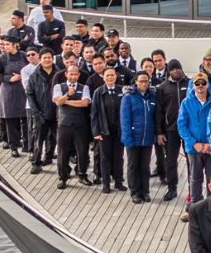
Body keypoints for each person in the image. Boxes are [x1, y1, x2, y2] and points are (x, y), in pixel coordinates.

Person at [177, 72, 211, 216]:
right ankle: (195, 209)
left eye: (203, 83)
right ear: (193, 85)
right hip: (193, 149)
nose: (200, 86)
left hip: (210, 148)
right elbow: (182, 126)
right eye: (197, 83)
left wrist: (210, 144)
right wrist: (194, 143)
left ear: (207, 85)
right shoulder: (186, 103)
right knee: (195, 178)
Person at [52, 65, 92, 189]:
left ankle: (82, 174)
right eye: (71, 74)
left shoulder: (84, 87)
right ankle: (63, 177)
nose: (73, 76)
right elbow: (58, 102)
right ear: (66, 74)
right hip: (64, 124)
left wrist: (67, 102)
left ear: (79, 75)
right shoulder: (59, 87)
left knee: (82, 151)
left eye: (76, 74)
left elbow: (85, 103)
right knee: (62, 152)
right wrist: (67, 96)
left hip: (80, 124)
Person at [120, 69, 157, 203]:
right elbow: (125, 119)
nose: (144, 84)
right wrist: (127, 138)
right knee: (133, 165)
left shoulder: (152, 96)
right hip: (133, 137)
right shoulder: (128, 97)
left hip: (147, 137)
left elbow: (155, 116)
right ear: (135, 82)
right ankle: (134, 191)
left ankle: (145, 191)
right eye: (141, 81)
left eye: (146, 81)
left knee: (145, 166)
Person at [89, 65, 126, 193]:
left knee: (119, 157)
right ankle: (106, 183)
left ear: (116, 76)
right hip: (104, 131)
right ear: (103, 78)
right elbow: (94, 114)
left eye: (112, 75)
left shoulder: (122, 90)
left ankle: (118, 181)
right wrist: (96, 131)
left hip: (119, 131)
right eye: (107, 75)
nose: (110, 77)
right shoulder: (98, 92)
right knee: (105, 158)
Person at [154, 58, 186, 198]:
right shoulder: (162, 87)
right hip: (170, 129)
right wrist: (159, 132)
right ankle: (172, 188)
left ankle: (193, 190)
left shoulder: (190, 84)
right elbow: (159, 111)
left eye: (178, 68)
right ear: (169, 71)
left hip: (187, 129)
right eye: (173, 69)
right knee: (170, 161)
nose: (176, 71)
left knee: (191, 160)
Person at [25, 48, 59, 174]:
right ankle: (36, 163)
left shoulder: (59, 73)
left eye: (49, 57)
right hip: (40, 113)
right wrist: (36, 113)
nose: (47, 60)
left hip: (56, 113)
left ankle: (49, 157)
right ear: (40, 58)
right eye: (44, 57)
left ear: (52, 58)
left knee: (55, 139)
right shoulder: (35, 75)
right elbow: (30, 95)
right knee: (38, 140)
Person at [0, 38, 29, 157]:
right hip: (8, 92)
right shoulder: (2, 58)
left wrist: (22, 76)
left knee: (25, 119)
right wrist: (9, 78)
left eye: (8, 44)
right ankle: (13, 146)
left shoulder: (24, 56)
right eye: (4, 44)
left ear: (15, 45)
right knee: (11, 120)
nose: (5, 46)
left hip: (23, 91)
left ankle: (27, 144)